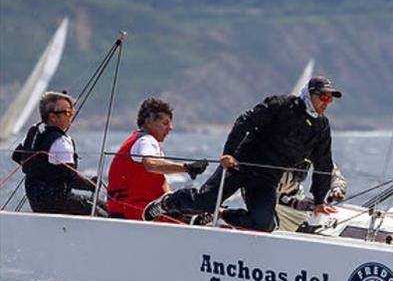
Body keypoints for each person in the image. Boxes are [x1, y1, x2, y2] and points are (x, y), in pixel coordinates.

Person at [143, 76, 341, 231]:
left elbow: (324, 163)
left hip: (267, 177)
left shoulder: (321, 126)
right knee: (204, 201)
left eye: (330, 99)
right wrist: (228, 153)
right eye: (323, 96)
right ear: (310, 94)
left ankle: (220, 216)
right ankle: (169, 202)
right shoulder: (281, 105)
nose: (327, 102)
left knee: (264, 224)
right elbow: (244, 122)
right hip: (241, 163)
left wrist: (318, 201)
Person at [106, 97, 208, 220]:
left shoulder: (141, 140)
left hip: (128, 210)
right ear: (148, 122)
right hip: (133, 211)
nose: (170, 128)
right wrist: (186, 168)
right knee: (186, 198)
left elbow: (160, 181)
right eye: (165, 123)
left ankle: (194, 217)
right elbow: (151, 164)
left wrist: (172, 200)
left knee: (182, 204)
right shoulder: (146, 141)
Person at [11, 91, 107, 216]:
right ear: (53, 117)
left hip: (36, 201)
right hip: (58, 201)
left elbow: (17, 155)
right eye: (67, 112)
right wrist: (91, 185)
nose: (71, 115)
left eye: (71, 112)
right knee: (103, 212)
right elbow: (71, 178)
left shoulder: (34, 132)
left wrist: (42, 173)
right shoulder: (61, 142)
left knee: (100, 203)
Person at [276, 161, 347, 232]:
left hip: (295, 197)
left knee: (316, 224)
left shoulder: (310, 150)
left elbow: (328, 167)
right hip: (271, 201)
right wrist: (292, 203)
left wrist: (337, 188)